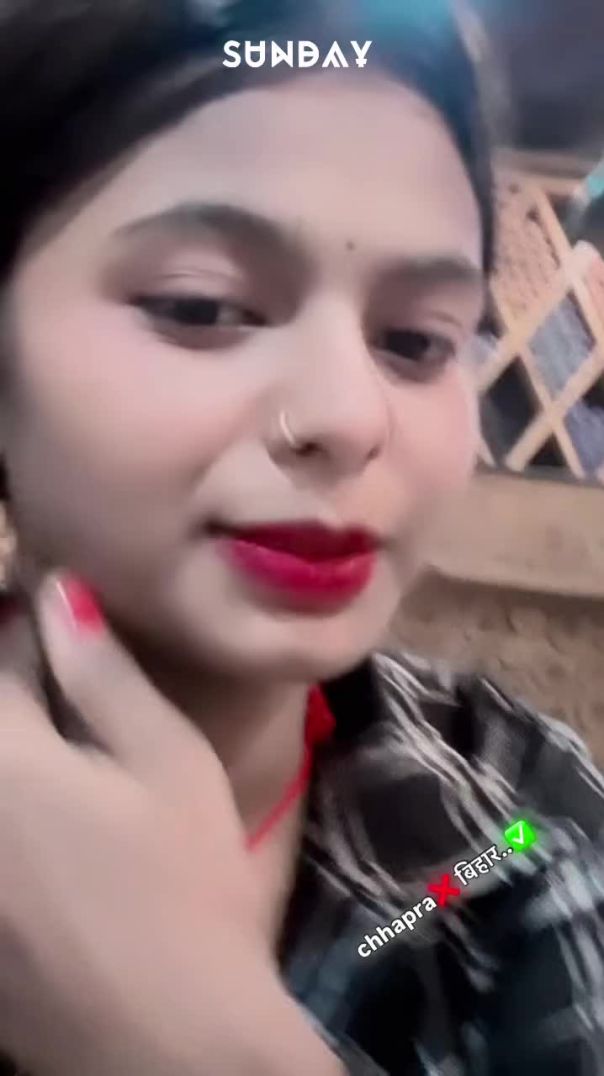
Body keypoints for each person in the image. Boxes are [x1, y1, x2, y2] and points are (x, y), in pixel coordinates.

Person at [0, 1, 601, 1074]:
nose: (348, 417)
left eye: (416, 340)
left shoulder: (517, 821)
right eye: (201, 306)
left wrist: (200, 1045)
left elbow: (466, 889)